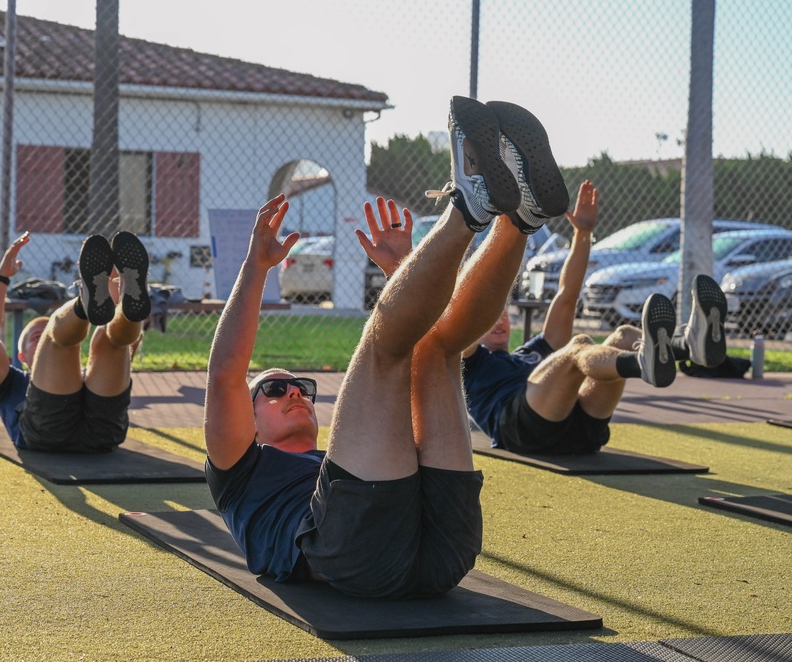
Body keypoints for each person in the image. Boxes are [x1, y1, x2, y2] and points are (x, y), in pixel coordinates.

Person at [203, 96, 569, 598]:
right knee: (383, 345)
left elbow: (424, 357)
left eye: (301, 387)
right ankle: (468, 208)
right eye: (274, 389)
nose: (295, 392)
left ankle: (519, 221)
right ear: (248, 423)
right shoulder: (239, 473)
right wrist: (255, 268)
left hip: (445, 552)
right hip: (352, 550)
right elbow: (225, 374)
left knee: (437, 350)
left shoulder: (339, 458)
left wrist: (403, 270)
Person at [461, 179, 729, 455]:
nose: (499, 321)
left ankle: (689, 346)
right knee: (578, 346)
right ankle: (642, 361)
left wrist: (583, 233)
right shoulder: (469, 364)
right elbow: (465, 312)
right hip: (522, 430)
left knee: (625, 335)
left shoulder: (533, 351)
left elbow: (566, 296)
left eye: (503, 315)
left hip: (580, 430)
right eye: (491, 317)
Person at [0, 229, 151, 452]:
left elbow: (128, 343)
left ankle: (127, 304)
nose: (41, 340)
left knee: (110, 340)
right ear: (22, 356)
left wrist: (115, 277)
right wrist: (1, 278)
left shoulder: (89, 375)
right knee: (58, 339)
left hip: (103, 432)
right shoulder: (8, 384)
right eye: (36, 338)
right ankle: (83, 305)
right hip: (46, 433)